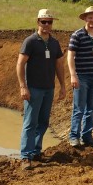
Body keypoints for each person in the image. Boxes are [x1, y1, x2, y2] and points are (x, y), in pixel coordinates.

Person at [16, 9, 67, 170]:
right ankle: (26, 156)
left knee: (43, 121)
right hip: (33, 88)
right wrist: (23, 86)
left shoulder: (54, 43)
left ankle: (36, 151)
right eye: (43, 21)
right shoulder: (30, 41)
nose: (46, 25)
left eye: (49, 22)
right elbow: (20, 64)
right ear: (38, 22)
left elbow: (59, 65)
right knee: (30, 122)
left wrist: (63, 86)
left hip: (48, 88)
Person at [67, 6, 93, 147]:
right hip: (81, 76)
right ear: (85, 18)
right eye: (90, 17)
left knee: (91, 108)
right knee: (79, 108)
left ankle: (87, 136)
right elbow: (70, 56)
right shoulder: (77, 35)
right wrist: (73, 75)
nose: (92, 20)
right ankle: (74, 137)